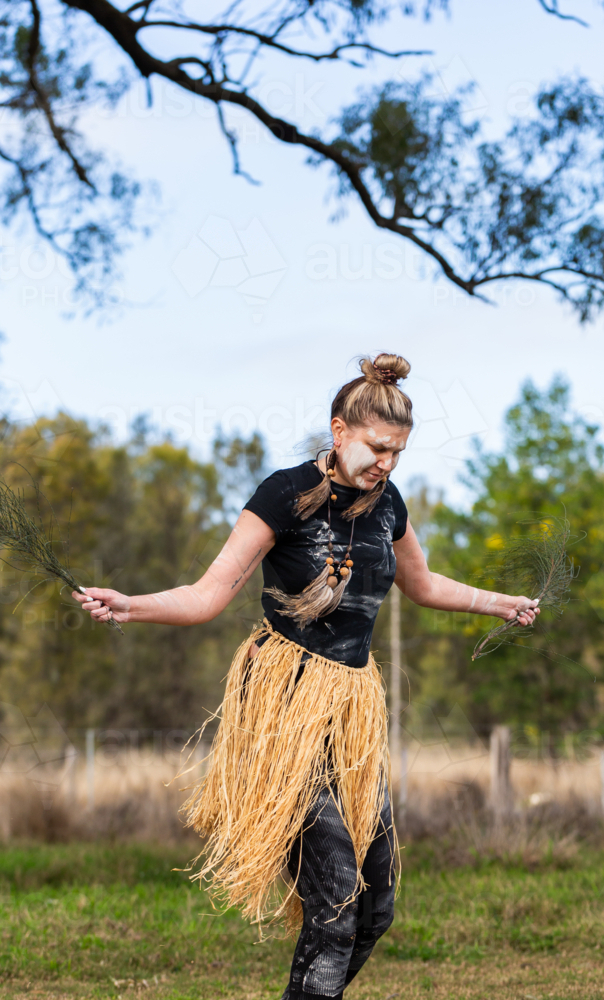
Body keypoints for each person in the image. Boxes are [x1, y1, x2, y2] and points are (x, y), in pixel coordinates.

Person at [73, 353, 539, 1000]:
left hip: (349, 715)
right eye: (376, 448)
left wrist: (501, 603)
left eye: (398, 453)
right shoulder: (283, 494)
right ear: (338, 431)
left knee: (375, 911)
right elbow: (207, 595)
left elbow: (423, 584)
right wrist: (133, 605)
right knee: (336, 905)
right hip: (284, 709)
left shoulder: (387, 504)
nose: (386, 463)